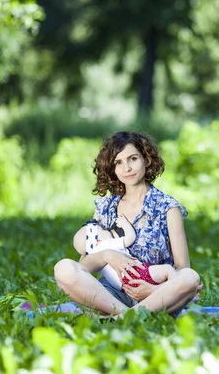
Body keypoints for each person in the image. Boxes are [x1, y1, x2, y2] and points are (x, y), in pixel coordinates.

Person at [54, 131, 200, 317]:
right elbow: (85, 267)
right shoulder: (105, 208)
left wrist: (151, 291)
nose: (127, 168)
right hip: (111, 297)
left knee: (190, 278)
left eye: (133, 159)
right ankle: (128, 316)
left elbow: (182, 268)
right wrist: (107, 255)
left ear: (146, 160)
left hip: (156, 295)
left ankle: (127, 317)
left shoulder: (168, 208)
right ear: (112, 168)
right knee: (63, 268)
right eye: (118, 162)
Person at [82, 214, 176, 292]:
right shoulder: (107, 244)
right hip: (139, 273)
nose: (106, 230)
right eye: (102, 230)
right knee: (167, 270)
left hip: (125, 287)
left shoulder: (94, 256)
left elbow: (81, 267)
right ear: (98, 240)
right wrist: (125, 224)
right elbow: (131, 237)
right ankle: (178, 287)